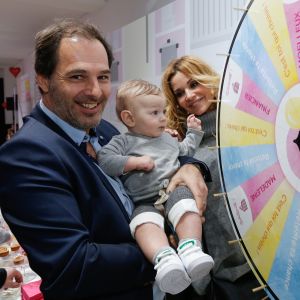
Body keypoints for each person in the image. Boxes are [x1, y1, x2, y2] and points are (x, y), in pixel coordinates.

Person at [0, 20, 210, 300]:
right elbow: (74, 265)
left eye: (102, 77)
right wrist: (165, 250)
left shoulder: (103, 130)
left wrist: (190, 166)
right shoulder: (25, 155)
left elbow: (159, 148)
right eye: (77, 77)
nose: (96, 91)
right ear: (43, 80)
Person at [161, 55, 267, 300]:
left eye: (194, 83)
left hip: (270, 261)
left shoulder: (246, 126)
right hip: (228, 278)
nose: (188, 95)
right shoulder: (182, 149)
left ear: (209, 80)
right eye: (179, 93)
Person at [97, 79, 214, 295]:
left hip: (172, 192)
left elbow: (185, 149)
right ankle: (164, 259)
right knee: (142, 223)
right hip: (144, 201)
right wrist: (133, 163)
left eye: (163, 111)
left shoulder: (167, 139)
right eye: (154, 113)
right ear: (129, 118)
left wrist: (194, 133)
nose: (163, 118)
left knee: (187, 207)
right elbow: (104, 159)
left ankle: (190, 248)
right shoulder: (123, 141)